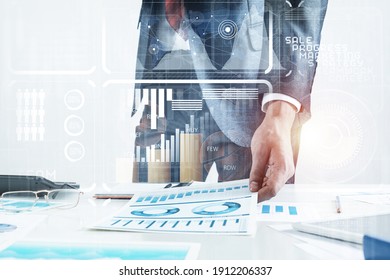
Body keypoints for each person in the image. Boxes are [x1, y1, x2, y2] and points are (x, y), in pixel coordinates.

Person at [132, 0, 328, 201]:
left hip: (252, 85)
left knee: (255, 221)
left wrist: (280, 112)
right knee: (152, 217)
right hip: (164, 70)